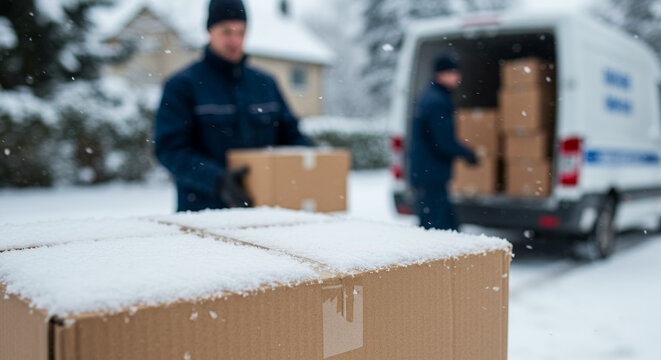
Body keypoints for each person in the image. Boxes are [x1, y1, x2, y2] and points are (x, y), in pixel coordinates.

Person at [154, 0, 310, 212]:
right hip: (203, 214)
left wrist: (314, 157)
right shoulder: (182, 85)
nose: (235, 40)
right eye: (227, 32)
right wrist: (217, 180)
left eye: (241, 32)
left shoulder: (266, 83)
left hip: (263, 213)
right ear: (210, 30)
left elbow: (290, 135)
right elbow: (169, 149)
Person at [408, 53, 479, 231]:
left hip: (427, 173)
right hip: (431, 174)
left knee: (444, 226)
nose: (458, 77)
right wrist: (467, 153)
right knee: (436, 229)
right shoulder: (438, 101)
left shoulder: (429, 95)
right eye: (454, 72)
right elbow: (443, 141)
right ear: (441, 74)